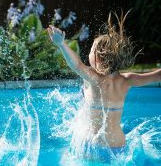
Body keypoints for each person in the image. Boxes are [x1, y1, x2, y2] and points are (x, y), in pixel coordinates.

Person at [47, 11, 161, 161]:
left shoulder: (94, 79)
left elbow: (76, 65)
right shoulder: (127, 80)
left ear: (98, 57)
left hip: (93, 147)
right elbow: (157, 76)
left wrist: (61, 44)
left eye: (91, 50)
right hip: (118, 147)